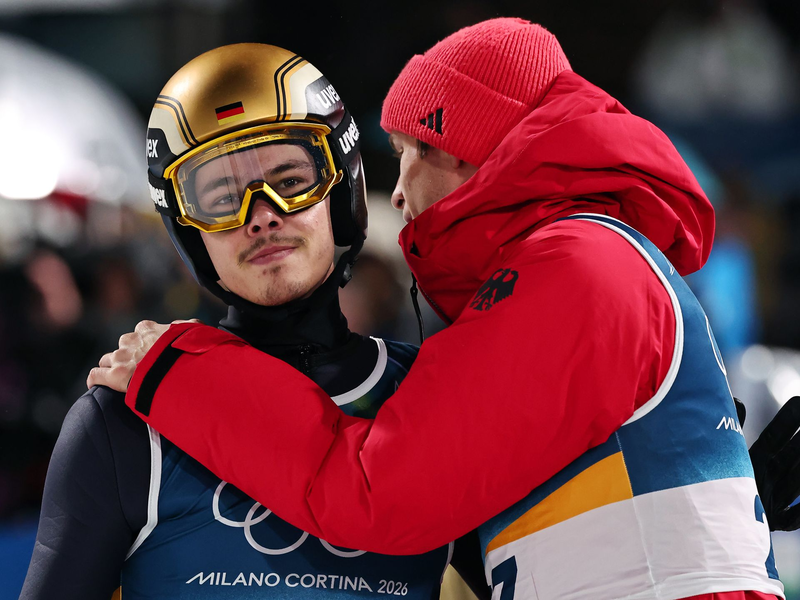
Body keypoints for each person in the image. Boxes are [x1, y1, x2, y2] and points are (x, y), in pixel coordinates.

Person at [90, 19, 800, 600]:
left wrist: (179, 374)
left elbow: (379, 492)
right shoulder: (584, 263)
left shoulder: (575, 267)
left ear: (457, 148)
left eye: (404, 154)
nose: (396, 193)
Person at [21, 43, 488, 600]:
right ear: (190, 232)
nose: (262, 216)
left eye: (290, 182)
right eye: (220, 196)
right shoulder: (124, 420)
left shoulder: (433, 396)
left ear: (341, 190)